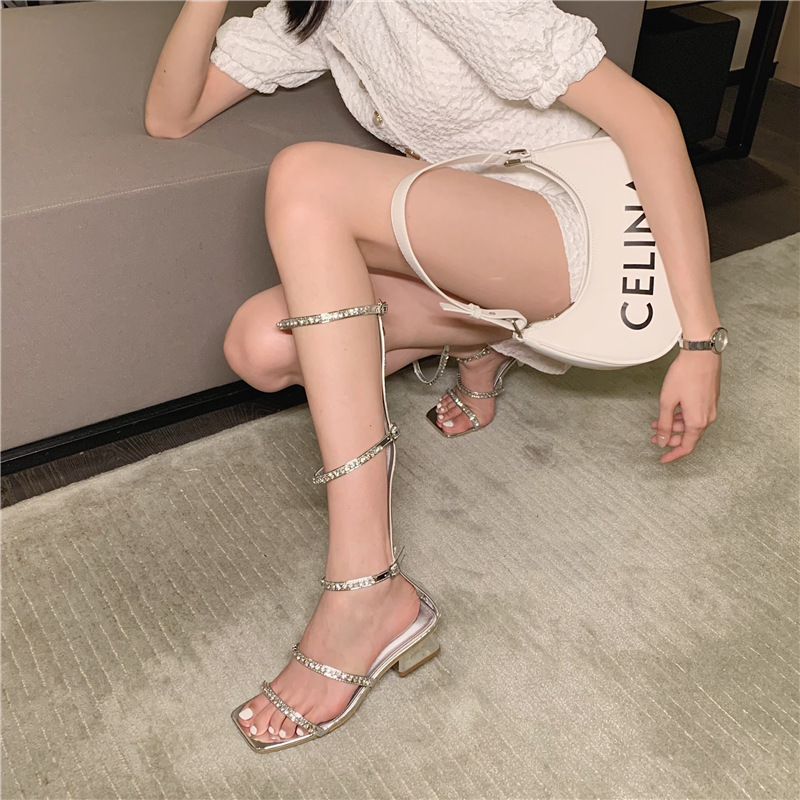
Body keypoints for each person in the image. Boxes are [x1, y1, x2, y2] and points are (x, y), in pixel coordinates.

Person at [145, 0, 723, 751]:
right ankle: (485, 339)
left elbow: (648, 119)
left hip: (565, 233)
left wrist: (701, 341)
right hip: (458, 253)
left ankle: (365, 586)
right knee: (260, 347)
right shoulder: (314, 11)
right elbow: (171, 115)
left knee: (306, 175)